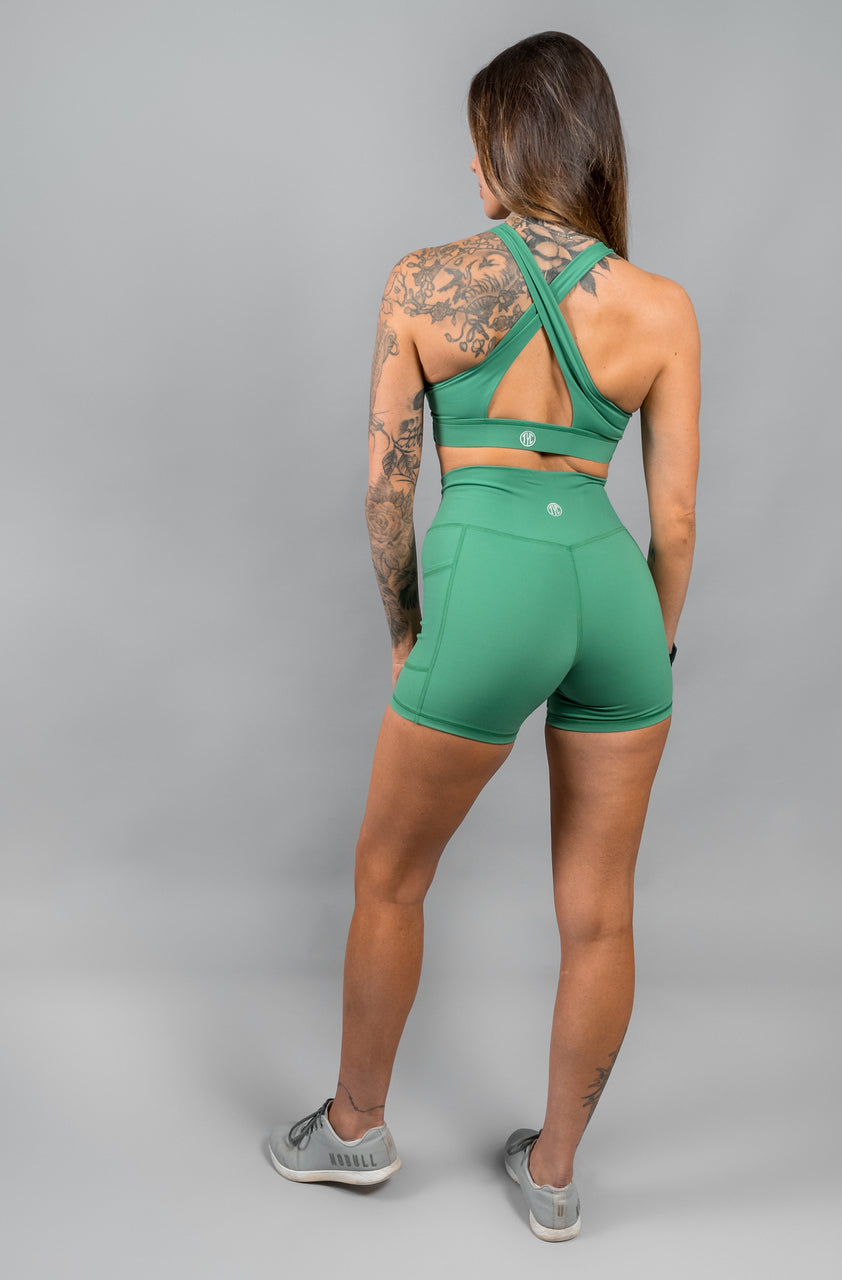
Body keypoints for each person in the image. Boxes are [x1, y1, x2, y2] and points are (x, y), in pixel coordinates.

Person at [268, 30, 700, 1242]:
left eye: (479, 144)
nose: (472, 166)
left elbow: (385, 490)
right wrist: (653, 648)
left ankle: (354, 1125)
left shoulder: (423, 281)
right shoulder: (661, 306)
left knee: (389, 874)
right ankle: (552, 1175)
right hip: (609, 590)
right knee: (601, 911)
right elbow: (674, 520)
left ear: (505, 148)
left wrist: (410, 631)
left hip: (487, 586)